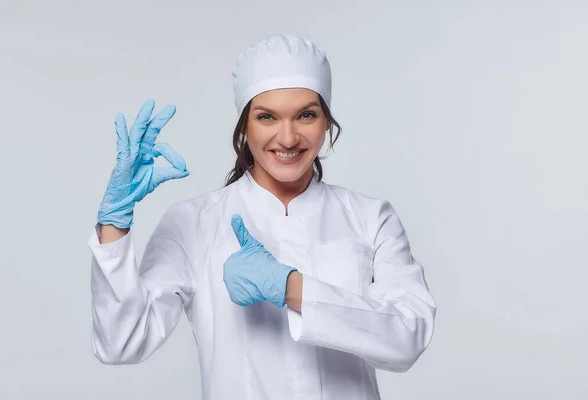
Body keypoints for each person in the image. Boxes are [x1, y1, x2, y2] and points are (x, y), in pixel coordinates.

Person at [88, 34, 436, 400]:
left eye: (306, 115)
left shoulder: (370, 218)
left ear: (326, 122)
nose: (287, 138)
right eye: (267, 117)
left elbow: (408, 337)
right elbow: (121, 344)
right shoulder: (192, 222)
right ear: (244, 126)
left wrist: (291, 288)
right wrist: (115, 222)